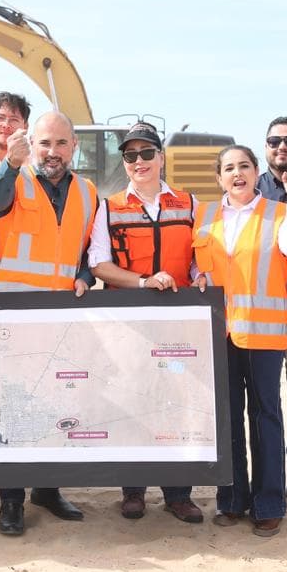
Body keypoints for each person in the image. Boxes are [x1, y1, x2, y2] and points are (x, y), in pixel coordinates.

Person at [0, 110, 96, 536]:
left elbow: (87, 249)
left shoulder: (87, 192)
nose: (53, 152)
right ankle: (11, 501)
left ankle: (48, 490)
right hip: (16, 318)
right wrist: (11, 165)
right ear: (31, 144)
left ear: (74, 146)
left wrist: (85, 276)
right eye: (45, 143)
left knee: (57, 405)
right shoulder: (12, 179)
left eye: (61, 143)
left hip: (63, 319)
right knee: (15, 409)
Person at [88, 121, 204, 525]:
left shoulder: (189, 204)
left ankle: (178, 493)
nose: (139, 161)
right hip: (128, 326)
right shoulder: (109, 207)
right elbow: (99, 264)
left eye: (147, 153)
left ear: (161, 157)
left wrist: (200, 275)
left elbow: (198, 259)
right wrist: (142, 282)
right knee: (134, 401)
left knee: (175, 401)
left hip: (177, 327)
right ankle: (133, 490)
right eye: (130, 155)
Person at [192, 145, 287, 538]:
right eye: (229, 168)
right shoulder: (204, 215)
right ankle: (231, 500)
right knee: (227, 418)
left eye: (244, 166)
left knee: (265, 418)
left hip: (263, 333)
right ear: (219, 178)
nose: (237, 173)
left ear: (256, 171)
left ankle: (268, 504)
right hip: (219, 333)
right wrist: (197, 275)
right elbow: (198, 264)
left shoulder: (279, 212)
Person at [254, 115, 287, 499]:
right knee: (266, 402)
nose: (282, 147)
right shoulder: (251, 190)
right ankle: (265, 480)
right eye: (274, 141)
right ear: (266, 147)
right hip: (264, 312)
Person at [0, 91, 32, 191]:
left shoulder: (35, 164)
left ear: (25, 126)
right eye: (0, 118)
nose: (6, 125)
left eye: (14, 119)